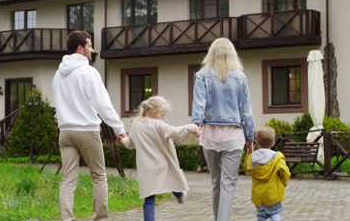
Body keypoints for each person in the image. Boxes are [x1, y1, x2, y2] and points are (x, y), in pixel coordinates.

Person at [52, 30, 126, 221]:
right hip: (86, 131)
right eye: (90, 46)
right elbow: (103, 104)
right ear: (80, 48)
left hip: (65, 132)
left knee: (68, 179)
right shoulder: (89, 72)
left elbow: (58, 102)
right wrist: (119, 129)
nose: (92, 50)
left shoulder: (59, 74)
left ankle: (66, 219)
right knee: (99, 176)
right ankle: (100, 219)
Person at [191, 37, 255, 221]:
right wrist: (250, 138)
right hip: (234, 136)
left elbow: (198, 105)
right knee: (228, 183)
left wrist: (196, 126)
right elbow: (246, 111)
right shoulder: (241, 77)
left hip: (210, 134)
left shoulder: (202, 75)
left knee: (215, 182)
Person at [120, 96, 200, 221]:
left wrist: (123, 139)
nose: (163, 117)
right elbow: (176, 132)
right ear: (154, 111)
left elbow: (130, 144)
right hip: (163, 165)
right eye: (163, 114)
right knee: (172, 181)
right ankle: (180, 196)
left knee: (149, 201)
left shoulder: (136, 125)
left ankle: (178, 196)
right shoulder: (159, 125)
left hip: (147, 168)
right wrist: (190, 127)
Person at [244, 127, 291, 221]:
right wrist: (283, 183)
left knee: (261, 216)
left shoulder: (252, 157)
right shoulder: (277, 157)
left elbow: (247, 167)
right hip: (273, 194)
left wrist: (249, 152)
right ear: (273, 142)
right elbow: (285, 172)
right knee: (275, 213)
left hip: (259, 196)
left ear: (257, 142)